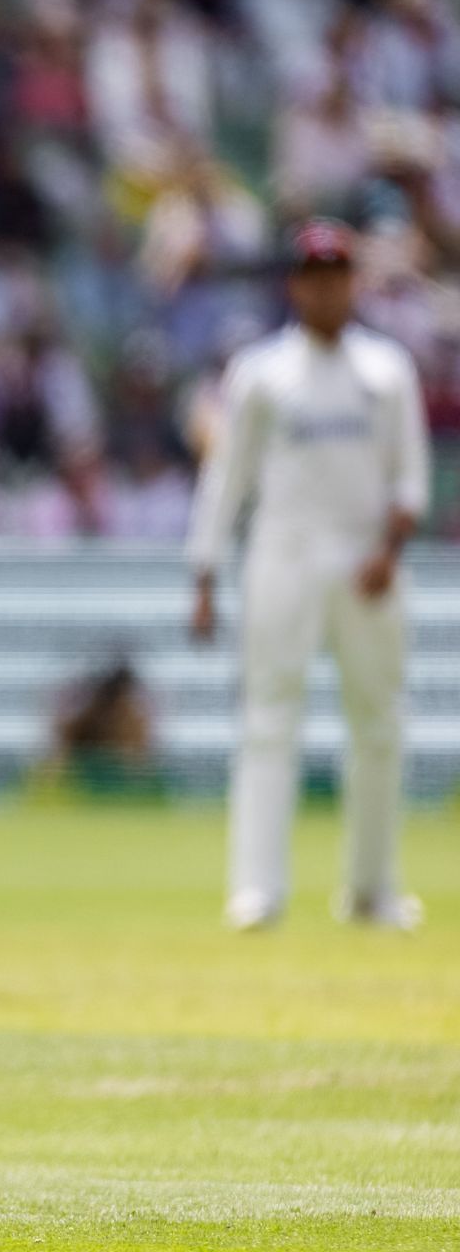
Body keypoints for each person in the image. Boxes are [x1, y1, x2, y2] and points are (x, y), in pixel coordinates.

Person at [187, 218, 430, 932]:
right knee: (268, 720)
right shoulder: (261, 373)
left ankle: (372, 890)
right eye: (314, 276)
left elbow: (411, 480)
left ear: (353, 282)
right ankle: (257, 891)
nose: (327, 289)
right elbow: (226, 478)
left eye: (339, 275)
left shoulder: (387, 371)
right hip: (282, 557)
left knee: (380, 726)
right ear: (296, 285)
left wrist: (390, 548)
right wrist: (202, 571)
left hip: (366, 563)